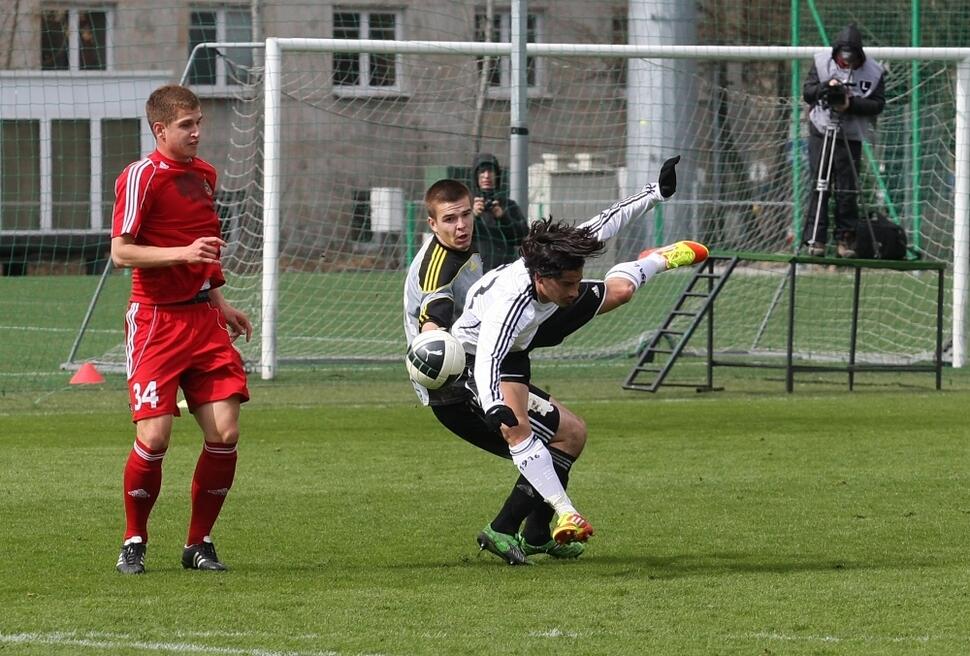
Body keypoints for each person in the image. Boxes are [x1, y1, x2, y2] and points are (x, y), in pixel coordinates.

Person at [404, 157, 708, 564]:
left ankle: (654, 258)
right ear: (433, 224)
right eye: (450, 219)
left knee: (618, 293)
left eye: (464, 216)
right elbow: (483, 351)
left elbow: (605, 221)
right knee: (532, 434)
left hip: (534, 323)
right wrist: (492, 400)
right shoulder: (485, 295)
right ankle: (528, 524)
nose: (461, 225)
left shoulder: (556, 273)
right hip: (472, 363)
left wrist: (656, 192)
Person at [110, 84, 252, 575]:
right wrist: (181, 254)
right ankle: (134, 539)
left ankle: (198, 544)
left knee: (226, 432)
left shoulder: (206, 175)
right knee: (155, 437)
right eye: (186, 125)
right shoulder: (141, 177)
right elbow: (121, 252)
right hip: (156, 321)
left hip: (203, 319)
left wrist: (219, 298)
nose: (196, 133)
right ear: (160, 129)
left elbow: (205, 252)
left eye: (199, 123)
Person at [802, 24, 886, 258]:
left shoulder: (875, 71)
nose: (846, 62)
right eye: (842, 57)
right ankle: (815, 239)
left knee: (847, 189)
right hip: (821, 130)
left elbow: (878, 104)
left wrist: (851, 104)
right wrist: (824, 89)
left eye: (851, 58)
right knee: (820, 184)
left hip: (850, 136)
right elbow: (807, 92)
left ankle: (846, 239)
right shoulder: (821, 63)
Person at [470, 153, 529, 271]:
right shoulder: (466, 205)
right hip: (474, 270)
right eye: (482, 172)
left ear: (497, 176)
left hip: (505, 270)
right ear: (476, 177)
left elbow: (523, 237)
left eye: (491, 172)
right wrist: (472, 216)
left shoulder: (508, 205)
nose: (486, 176)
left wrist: (503, 217)